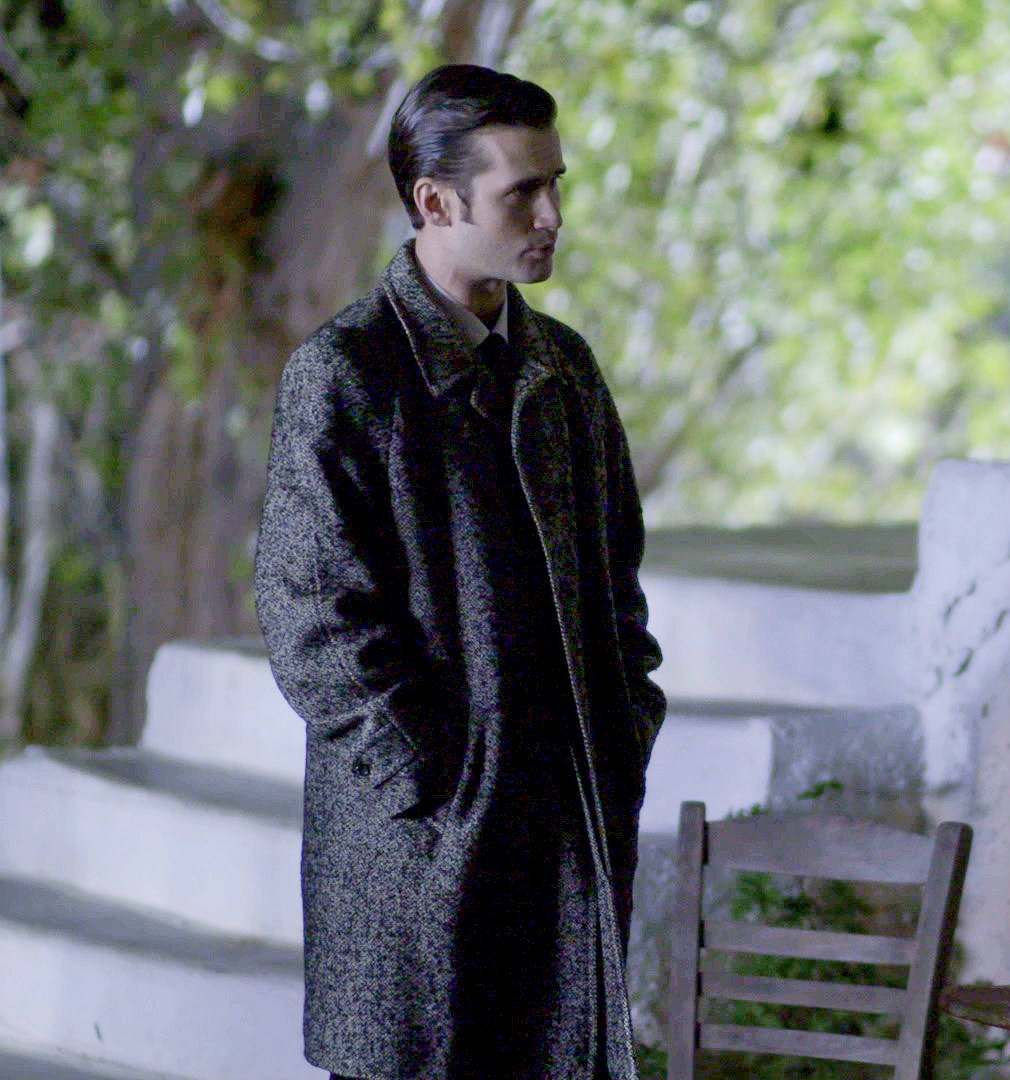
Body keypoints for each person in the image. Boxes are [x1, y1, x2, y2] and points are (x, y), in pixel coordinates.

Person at [255, 63, 666, 1080]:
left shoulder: (564, 369)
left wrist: (625, 731)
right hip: (418, 866)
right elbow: (314, 623)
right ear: (436, 202)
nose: (553, 215)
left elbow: (619, 586)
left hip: (566, 845)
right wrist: (440, 785)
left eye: (555, 184)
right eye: (523, 191)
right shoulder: (346, 375)